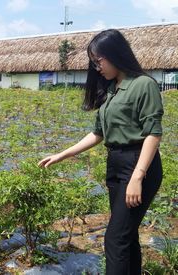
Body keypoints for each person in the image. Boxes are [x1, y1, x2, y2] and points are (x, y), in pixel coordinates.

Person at [38, 29, 163, 275]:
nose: (97, 68)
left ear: (115, 54)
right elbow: (98, 133)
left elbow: (153, 134)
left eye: (99, 61)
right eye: (94, 63)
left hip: (139, 165)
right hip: (116, 164)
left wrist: (138, 177)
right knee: (127, 237)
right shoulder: (112, 90)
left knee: (115, 239)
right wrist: (62, 154)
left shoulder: (143, 85)